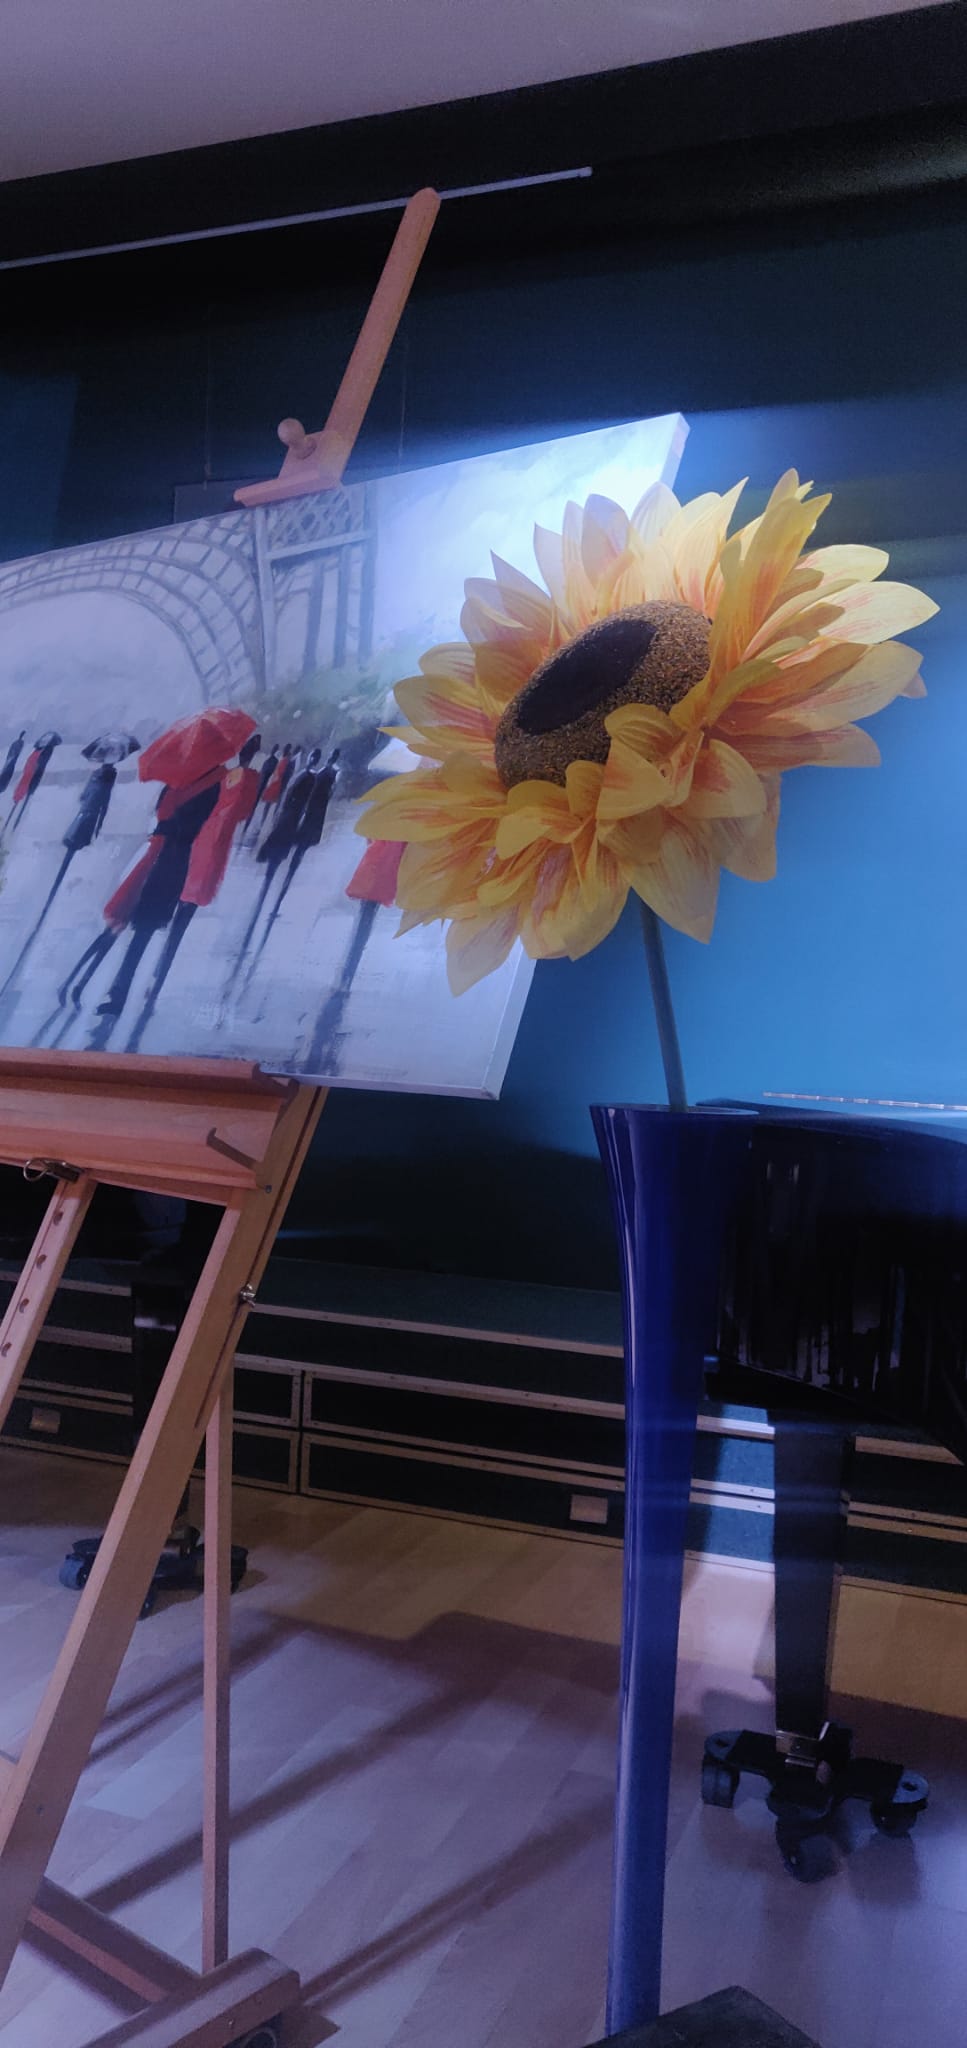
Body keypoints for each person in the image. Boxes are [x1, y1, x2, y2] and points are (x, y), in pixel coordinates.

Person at [57, 765, 223, 1016]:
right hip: (164, 860)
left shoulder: (196, 783)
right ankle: (86, 986)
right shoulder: (198, 783)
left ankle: (96, 989)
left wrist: (168, 821)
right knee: (125, 926)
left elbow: (179, 823)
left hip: (166, 860)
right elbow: (176, 820)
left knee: (131, 929)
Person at [9, 731, 60, 830]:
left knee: (25, 787)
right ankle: (12, 823)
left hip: (32, 776)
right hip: (30, 775)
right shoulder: (39, 750)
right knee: (24, 785)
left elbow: (37, 768)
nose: (43, 741)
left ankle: (13, 824)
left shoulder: (45, 750)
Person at [0, 732, 26, 796]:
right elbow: (13, 754)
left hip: (10, 761)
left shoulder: (16, 743)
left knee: (6, 772)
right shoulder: (18, 744)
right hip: (11, 761)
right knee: (7, 772)